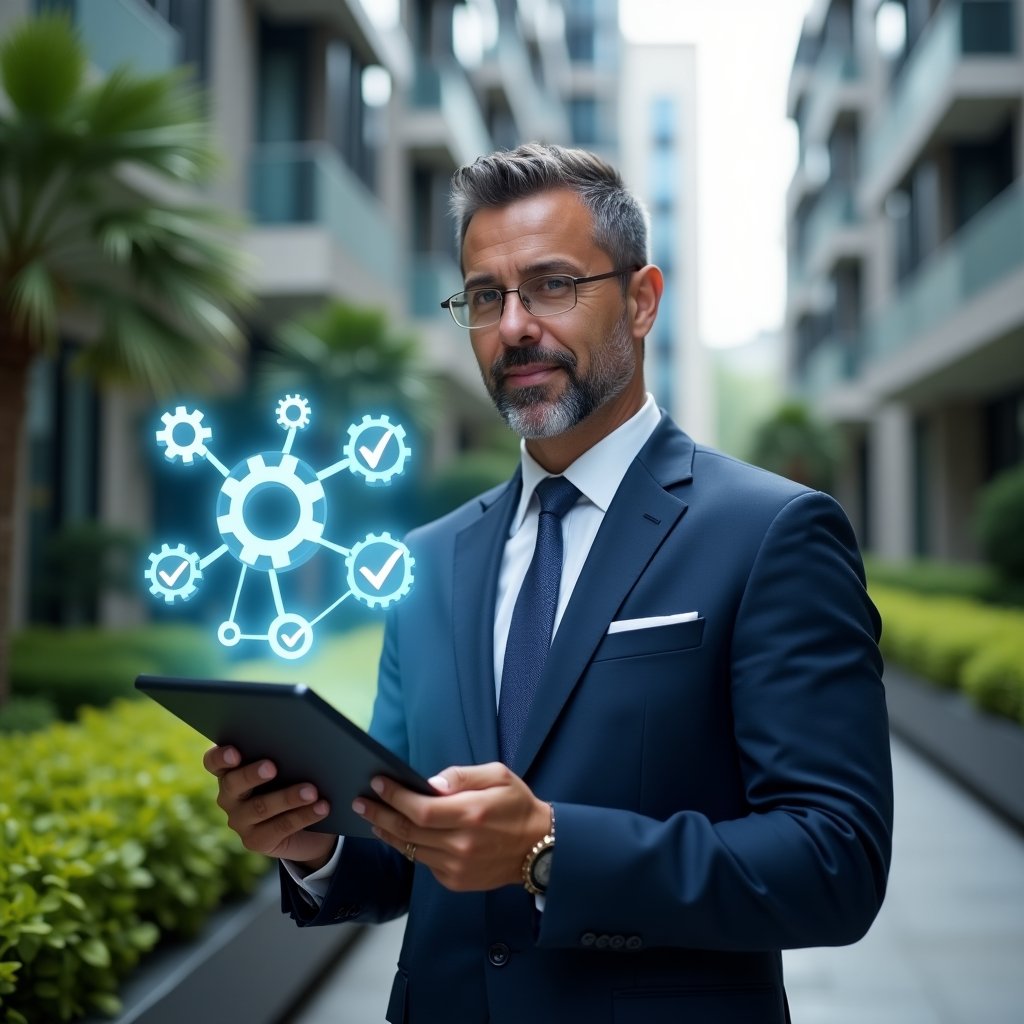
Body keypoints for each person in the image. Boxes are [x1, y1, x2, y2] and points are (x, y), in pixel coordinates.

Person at [204, 143, 893, 1024]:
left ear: (642, 301)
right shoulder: (428, 559)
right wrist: (312, 844)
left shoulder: (771, 533)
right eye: (485, 296)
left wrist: (551, 850)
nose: (515, 325)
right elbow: (403, 840)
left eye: (553, 285)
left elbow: (836, 863)